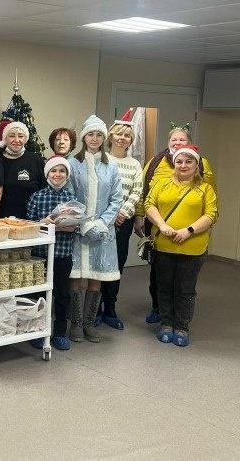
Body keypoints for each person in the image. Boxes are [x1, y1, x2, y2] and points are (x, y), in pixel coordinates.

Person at [134, 124, 217, 324]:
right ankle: (160, 311)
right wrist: (143, 217)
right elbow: (145, 194)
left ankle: (180, 323)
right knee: (159, 277)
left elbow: (211, 206)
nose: (183, 165)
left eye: (182, 140)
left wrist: (197, 227)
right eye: (174, 140)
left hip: (192, 234)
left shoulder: (204, 173)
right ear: (168, 143)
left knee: (184, 285)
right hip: (160, 230)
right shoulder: (156, 162)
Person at [68, 115, 122, 343]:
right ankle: (75, 323)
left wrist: (100, 224)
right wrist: (84, 224)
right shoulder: (73, 164)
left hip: (102, 231)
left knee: (96, 275)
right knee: (75, 275)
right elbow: (69, 196)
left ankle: (89, 323)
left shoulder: (111, 166)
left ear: (104, 138)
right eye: (91, 134)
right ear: (84, 137)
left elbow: (116, 199)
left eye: (99, 135)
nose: (95, 138)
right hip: (77, 230)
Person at [94, 120, 143, 330]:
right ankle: (95, 308)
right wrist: (111, 214)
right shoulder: (100, 159)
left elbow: (137, 191)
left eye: (127, 136)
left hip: (124, 220)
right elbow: (96, 189)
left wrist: (123, 213)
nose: (122, 138)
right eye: (119, 134)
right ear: (111, 137)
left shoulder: (135, 164)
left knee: (117, 263)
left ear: (131, 141)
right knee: (99, 262)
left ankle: (110, 308)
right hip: (102, 219)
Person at [26, 156, 77, 351]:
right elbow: (28, 225)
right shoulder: (37, 197)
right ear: (47, 174)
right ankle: (37, 330)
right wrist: (43, 223)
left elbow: (78, 226)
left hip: (63, 254)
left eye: (62, 171)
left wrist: (71, 227)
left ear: (67, 175)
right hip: (40, 255)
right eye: (54, 171)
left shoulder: (72, 199)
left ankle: (60, 332)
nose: (58, 174)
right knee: (38, 293)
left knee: (62, 294)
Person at [0, 121, 47, 219]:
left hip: (30, 220)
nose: (16, 140)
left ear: (25, 138)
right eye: (11, 136)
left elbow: (44, 191)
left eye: (20, 136)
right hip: (1, 220)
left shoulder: (36, 160)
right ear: (5, 138)